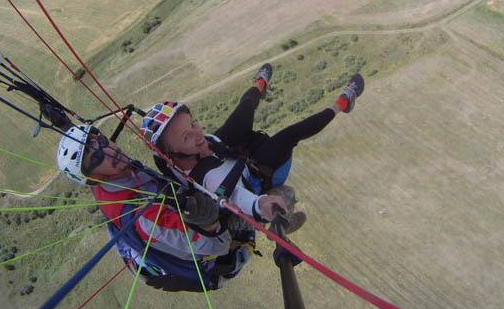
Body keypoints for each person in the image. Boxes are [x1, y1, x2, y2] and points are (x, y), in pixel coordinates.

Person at [141, 64, 365, 233]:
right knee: (291, 134)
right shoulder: (211, 179)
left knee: (245, 107)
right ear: (171, 155)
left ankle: (260, 84)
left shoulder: (192, 148)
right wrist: (261, 205)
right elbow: (237, 195)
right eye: (187, 136)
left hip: (221, 150)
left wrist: (196, 140)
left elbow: (201, 139)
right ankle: (344, 102)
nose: (198, 132)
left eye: (193, 123)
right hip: (256, 174)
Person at [56, 124, 254, 291]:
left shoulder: (110, 176)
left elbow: (82, 156)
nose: (108, 151)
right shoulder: (145, 218)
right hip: (211, 261)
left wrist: (62, 122)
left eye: (99, 141)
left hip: (157, 227)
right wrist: (210, 223)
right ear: (95, 178)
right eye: (97, 158)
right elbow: (218, 246)